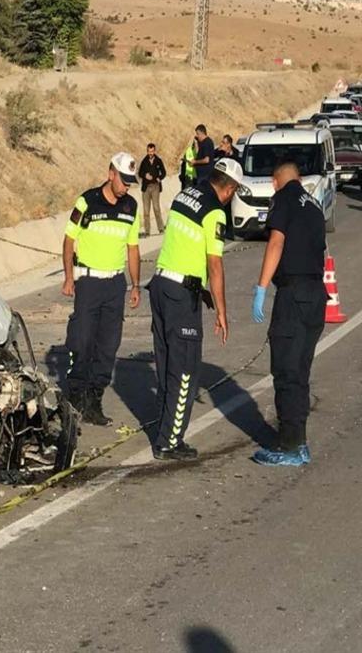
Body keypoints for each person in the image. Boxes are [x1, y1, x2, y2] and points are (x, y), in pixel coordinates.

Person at [149, 157, 242, 460]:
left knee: (166, 367)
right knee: (185, 370)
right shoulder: (214, 211)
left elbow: (182, 248)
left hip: (162, 285)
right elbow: (215, 264)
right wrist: (222, 312)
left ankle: (163, 430)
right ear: (228, 189)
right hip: (179, 298)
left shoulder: (184, 195)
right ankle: (170, 441)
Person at [250, 162, 328, 466]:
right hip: (316, 295)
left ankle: (290, 446)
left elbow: (277, 241)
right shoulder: (314, 205)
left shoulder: (282, 198)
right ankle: (300, 441)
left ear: (275, 181)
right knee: (301, 372)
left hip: (293, 295)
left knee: (285, 371)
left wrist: (261, 286)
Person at [61, 152, 142, 426]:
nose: (127, 186)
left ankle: (94, 399)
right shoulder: (87, 201)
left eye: (131, 181)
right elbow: (69, 240)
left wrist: (134, 285)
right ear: (111, 174)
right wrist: (69, 278)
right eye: (124, 180)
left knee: (108, 345)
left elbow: (133, 248)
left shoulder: (131, 206)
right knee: (82, 340)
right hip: (89, 282)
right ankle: (75, 394)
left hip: (115, 284)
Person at [138, 143, 167, 237]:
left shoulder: (158, 161)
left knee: (156, 208)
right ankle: (147, 231)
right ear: (147, 151)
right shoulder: (144, 161)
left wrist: (159, 178)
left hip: (155, 187)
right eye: (149, 151)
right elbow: (139, 173)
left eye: (152, 151)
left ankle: (161, 228)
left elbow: (164, 172)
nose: (150, 153)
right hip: (146, 188)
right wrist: (144, 175)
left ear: (154, 151)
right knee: (146, 211)